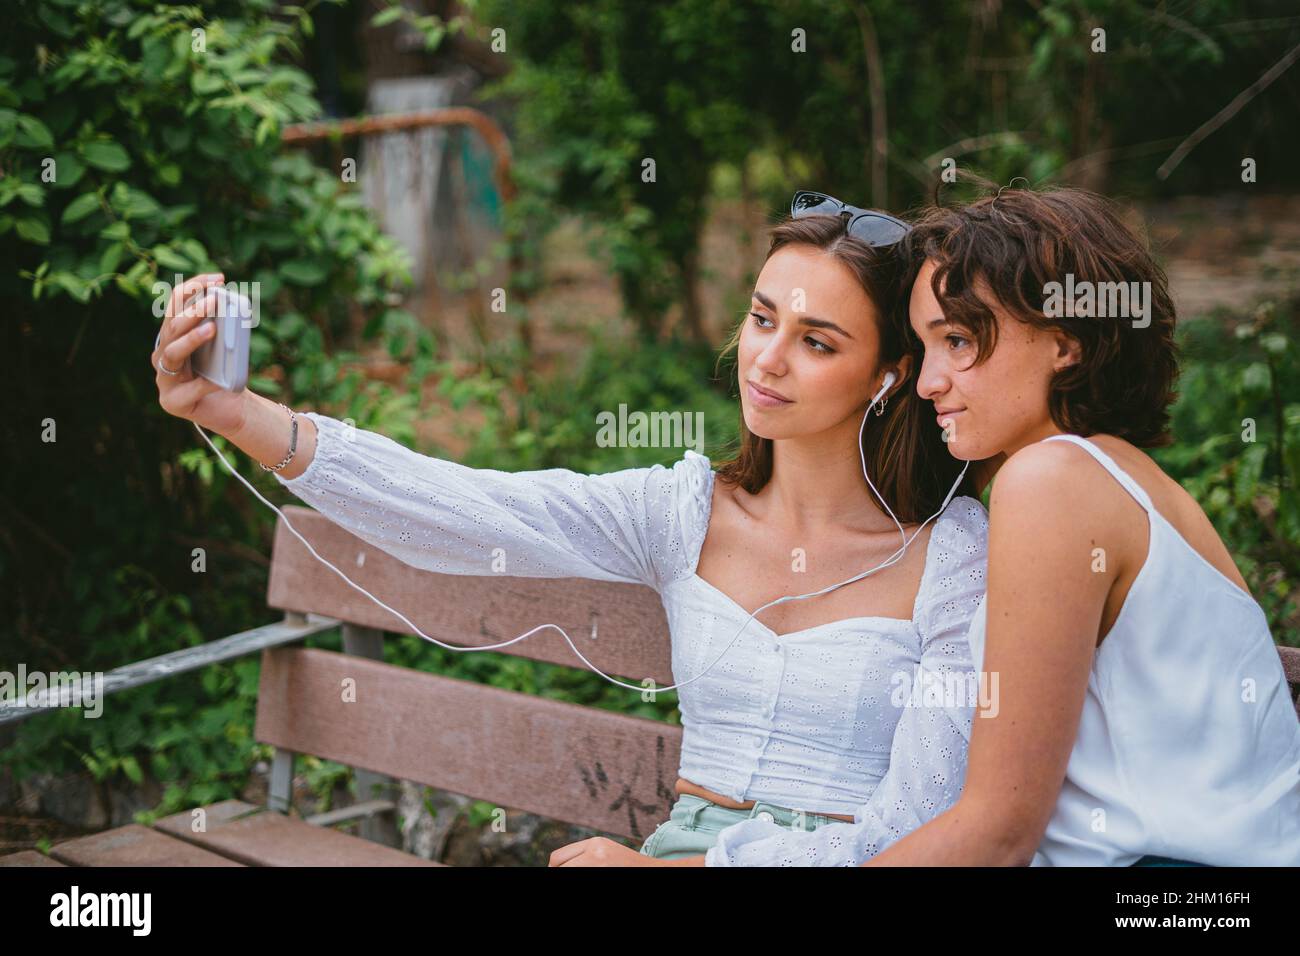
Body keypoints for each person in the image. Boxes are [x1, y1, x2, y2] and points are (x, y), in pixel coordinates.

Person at [151, 194, 988, 868]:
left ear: (888, 374)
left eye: (816, 341)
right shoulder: (682, 512)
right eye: (763, 319)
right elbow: (459, 508)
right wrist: (232, 411)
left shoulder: (952, 554)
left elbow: (921, 824)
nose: (766, 359)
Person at [863, 183, 1300, 867]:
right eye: (925, 348)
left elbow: (999, 834)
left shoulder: (1054, 482)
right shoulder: (1106, 476)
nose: (927, 383)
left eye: (957, 340)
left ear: (1064, 343)